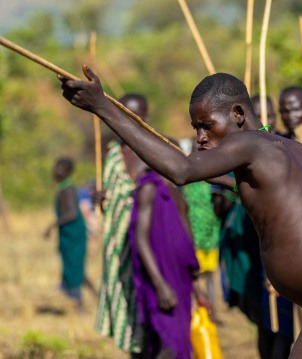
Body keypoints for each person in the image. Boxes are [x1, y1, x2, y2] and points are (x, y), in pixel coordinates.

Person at [60, 67, 302, 358]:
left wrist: (102, 106)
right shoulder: (289, 151)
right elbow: (198, 170)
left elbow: (181, 170)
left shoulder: (248, 144)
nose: (200, 138)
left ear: (237, 114)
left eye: (206, 126)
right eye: (195, 128)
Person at [128, 169, 209, 359]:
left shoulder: (177, 194)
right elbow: (141, 240)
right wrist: (160, 285)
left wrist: (198, 288)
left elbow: (186, 246)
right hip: (162, 281)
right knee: (170, 346)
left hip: (182, 283)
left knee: (180, 345)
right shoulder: (150, 188)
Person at [94, 94, 150, 357]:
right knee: (128, 307)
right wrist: (100, 198)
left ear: (146, 117)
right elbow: (109, 198)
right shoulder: (113, 154)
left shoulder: (156, 151)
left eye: (135, 114)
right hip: (119, 245)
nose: (129, 120)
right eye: (123, 113)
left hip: (150, 245)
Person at [44, 158, 93, 309]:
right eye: (55, 167)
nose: (55, 170)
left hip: (74, 234)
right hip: (69, 234)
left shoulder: (68, 189)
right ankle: (95, 298)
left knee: (75, 268)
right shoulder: (63, 187)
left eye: (59, 168)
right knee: (77, 269)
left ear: (66, 171)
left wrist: (52, 225)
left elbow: (71, 214)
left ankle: (81, 305)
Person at [182, 139, 221, 320]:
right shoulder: (187, 178)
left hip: (211, 232)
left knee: (210, 275)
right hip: (193, 234)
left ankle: (211, 312)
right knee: (194, 276)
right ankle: (195, 313)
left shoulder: (214, 175)